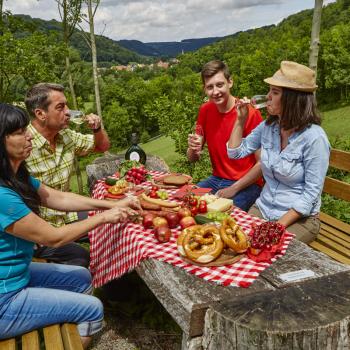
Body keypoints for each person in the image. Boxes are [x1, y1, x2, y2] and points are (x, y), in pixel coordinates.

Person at [0, 103, 141, 347]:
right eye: (19, 131)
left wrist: (108, 204)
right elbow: (52, 238)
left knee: (82, 277)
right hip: (5, 298)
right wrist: (105, 217)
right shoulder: (3, 195)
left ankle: (61, 327)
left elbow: (58, 198)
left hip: (17, 276)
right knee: (93, 308)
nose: (28, 135)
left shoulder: (15, 176)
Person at [227, 61, 330, 243]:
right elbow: (235, 153)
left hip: (299, 219)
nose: (267, 97)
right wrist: (240, 121)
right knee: (236, 242)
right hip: (264, 208)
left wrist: (275, 227)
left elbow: (310, 196)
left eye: (275, 93)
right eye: (269, 91)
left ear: (292, 99)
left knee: (266, 251)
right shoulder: (268, 127)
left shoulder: (315, 138)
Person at [24, 83, 110, 267]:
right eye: (60, 107)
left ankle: (118, 279)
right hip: (40, 230)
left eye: (67, 105)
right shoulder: (22, 145)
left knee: (112, 223)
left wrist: (97, 129)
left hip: (67, 213)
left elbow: (102, 147)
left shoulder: (66, 136)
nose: (69, 112)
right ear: (40, 114)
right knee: (80, 258)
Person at [187, 60, 263, 212]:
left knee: (219, 216)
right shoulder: (205, 111)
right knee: (186, 202)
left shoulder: (249, 113)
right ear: (204, 89)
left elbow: (262, 164)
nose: (215, 92)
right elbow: (192, 158)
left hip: (247, 184)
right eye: (210, 87)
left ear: (230, 82)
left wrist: (234, 188)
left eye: (219, 84)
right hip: (216, 180)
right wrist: (192, 149)